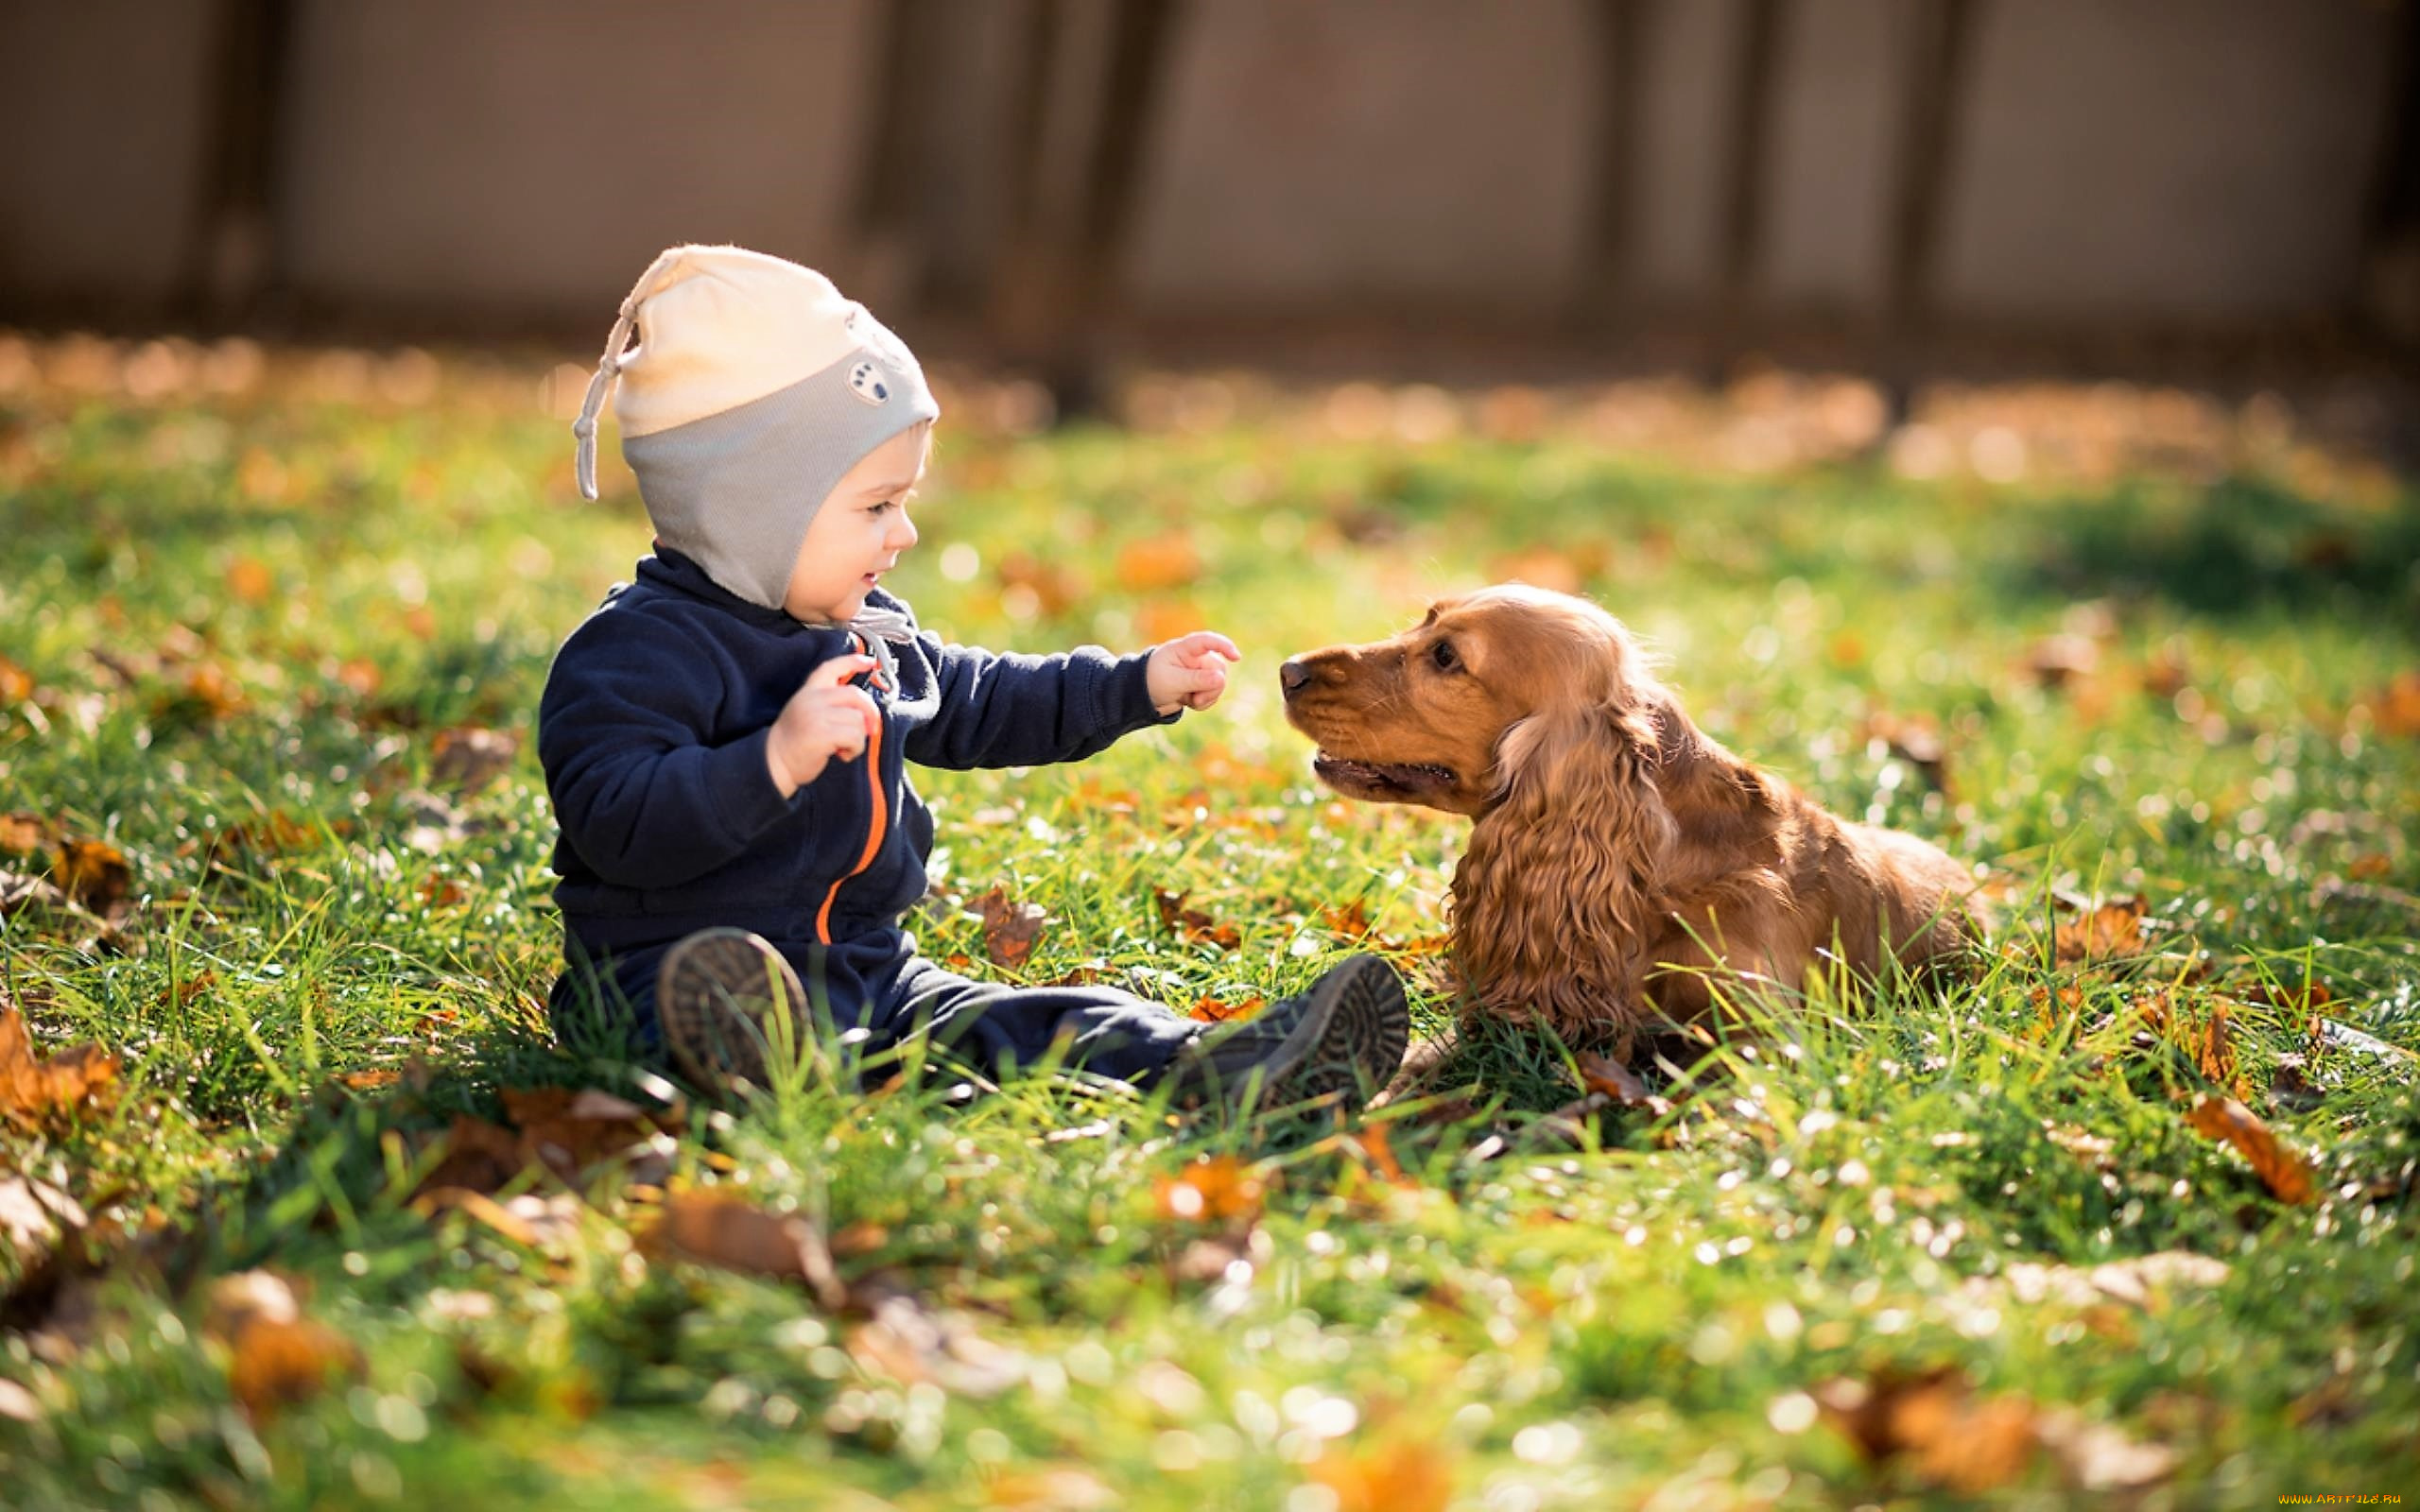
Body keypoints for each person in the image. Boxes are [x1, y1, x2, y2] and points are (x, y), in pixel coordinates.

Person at [539, 245, 1408, 1111]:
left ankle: (1210, 1064)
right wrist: (771, 760)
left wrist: (1133, 686)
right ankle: (752, 1059)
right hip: (657, 975)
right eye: (876, 506)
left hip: (866, 970)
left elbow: (982, 699)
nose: (904, 533)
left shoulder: (864, 635)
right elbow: (617, 822)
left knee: (1025, 1023)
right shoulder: (632, 657)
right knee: (720, 1012)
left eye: (903, 502)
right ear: (752, 512)